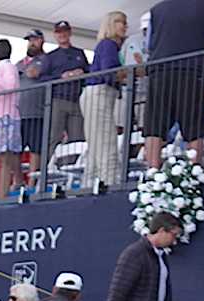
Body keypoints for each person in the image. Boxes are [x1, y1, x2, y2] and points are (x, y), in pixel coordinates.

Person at [144, 0, 204, 168]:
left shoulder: (156, 10)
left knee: (155, 124)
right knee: (195, 124)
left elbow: (148, 45)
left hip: (160, 70)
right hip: (193, 70)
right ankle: (194, 170)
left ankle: (152, 170)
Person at [31, 21, 91, 164]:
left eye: (64, 31)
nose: (62, 35)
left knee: (77, 138)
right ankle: (50, 169)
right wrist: (61, 77)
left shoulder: (79, 53)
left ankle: (72, 168)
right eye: (59, 32)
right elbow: (42, 79)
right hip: (58, 99)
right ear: (55, 35)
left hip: (76, 99)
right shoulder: (51, 56)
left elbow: (89, 72)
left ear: (70, 33)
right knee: (54, 136)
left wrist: (82, 72)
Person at [83, 14, 130, 189]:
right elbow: (108, 72)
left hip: (95, 94)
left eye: (125, 22)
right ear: (111, 25)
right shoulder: (109, 45)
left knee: (96, 145)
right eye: (120, 22)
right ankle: (109, 185)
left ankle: (91, 185)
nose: (124, 26)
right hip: (100, 94)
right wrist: (130, 72)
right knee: (107, 143)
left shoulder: (106, 45)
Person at [0, 40, 25, 200]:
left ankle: (2, 194)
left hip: (5, 116)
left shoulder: (7, 67)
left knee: (3, 157)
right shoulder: (3, 69)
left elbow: (10, 86)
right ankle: (0, 193)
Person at [16, 30, 50, 162]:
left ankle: (33, 176)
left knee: (36, 149)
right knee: (16, 151)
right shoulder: (19, 63)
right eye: (30, 40)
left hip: (37, 113)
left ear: (42, 41)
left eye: (35, 40)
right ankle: (16, 176)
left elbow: (51, 76)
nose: (32, 43)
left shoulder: (47, 60)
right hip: (18, 114)